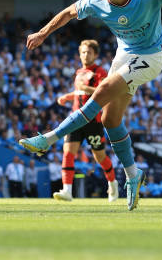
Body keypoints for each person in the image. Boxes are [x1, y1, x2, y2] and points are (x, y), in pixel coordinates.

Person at [19, 0, 162, 210]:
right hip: (124, 55)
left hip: (151, 56)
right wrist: (43, 32)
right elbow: (69, 12)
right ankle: (133, 175)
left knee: (102, 89)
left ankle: (48, 139)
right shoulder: (96, 0)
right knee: (109, 120)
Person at [52, 39, 118, 202]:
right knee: (68, 153)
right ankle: (67, 190)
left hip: (93, 121)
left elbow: (104, 92)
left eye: (89, 52)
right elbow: (79, 92)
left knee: (99, 157)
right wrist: (68, 97)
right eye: (83, 52)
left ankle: (113, 183)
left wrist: (86, 88)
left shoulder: (100, 72)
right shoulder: (79, 72)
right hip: (76, 119)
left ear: (95, 54)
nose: (85, 55)